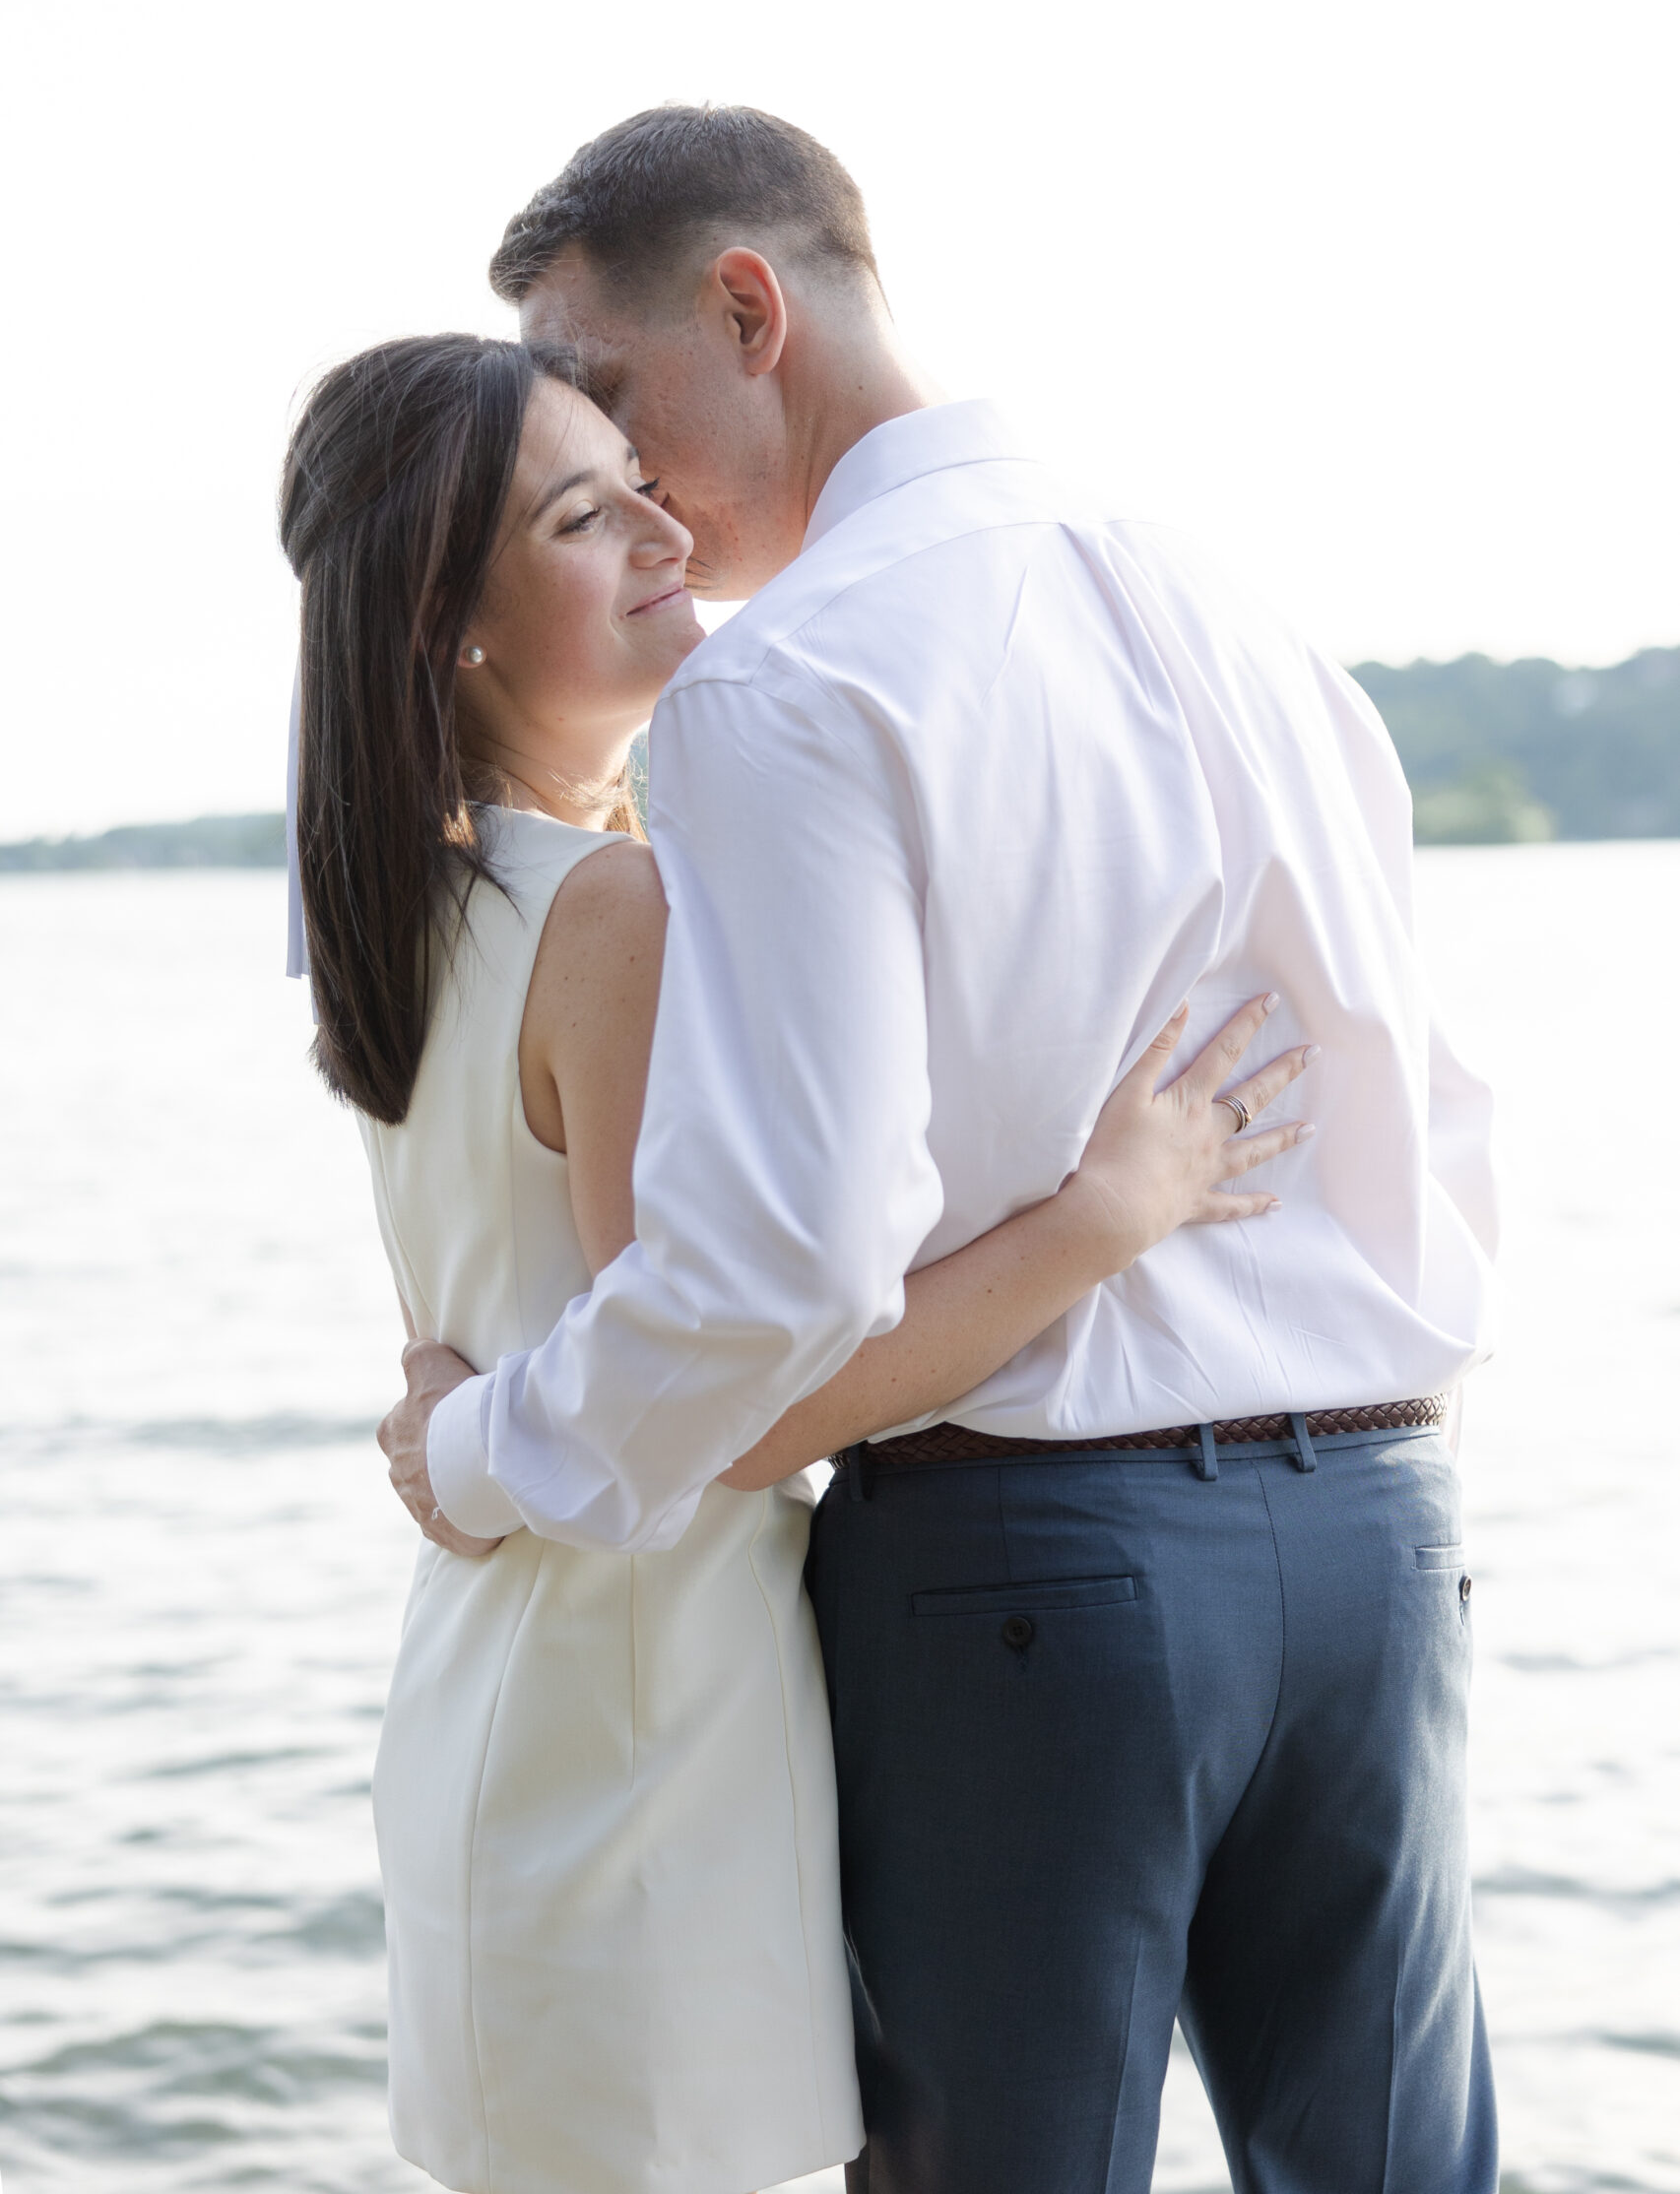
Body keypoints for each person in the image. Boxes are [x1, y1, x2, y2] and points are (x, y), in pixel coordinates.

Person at [373, 107, 1501, 2194]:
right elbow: (1430, 1104)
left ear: (748, 308)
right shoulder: (1237, 608)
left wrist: (473, 1444)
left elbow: (762, 1287)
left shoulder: (787, 682)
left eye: (609, 394)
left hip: (1036, 1575)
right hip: (1382, 1534)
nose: (631, 487)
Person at [281, 333, 1313, 2194]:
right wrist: (1105, 1212)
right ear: (454, 623)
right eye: (587, 516)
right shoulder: (609, 908)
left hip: (521, 1692)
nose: (664, 531)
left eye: (639, 484)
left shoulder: (411, 909)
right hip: (642, 1720)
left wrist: (456, 1439)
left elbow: (510, 1340)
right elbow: (732, 1368)